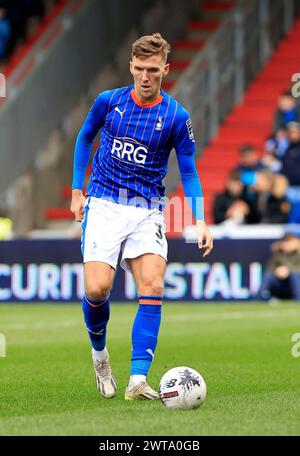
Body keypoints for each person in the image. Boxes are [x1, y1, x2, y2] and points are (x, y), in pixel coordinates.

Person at [71, 33, 213, 401]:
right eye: (140, 69)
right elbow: (85, 138)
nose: (145, 77)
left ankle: (137, 379)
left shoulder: (176, 117)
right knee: (97, 289)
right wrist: (76, 189)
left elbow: (190, 172)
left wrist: (199, 218)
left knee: (151, 285)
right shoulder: (109, 102)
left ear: (166, 69)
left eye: (153, 70)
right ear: (130, 67)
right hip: (103, 202)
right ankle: (100, 354)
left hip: (147, 208)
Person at [257, 233, 300, 301]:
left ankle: (298, 299)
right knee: (269, 275)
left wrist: (288, 270)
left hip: (295, 284)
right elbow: (269, 268)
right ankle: (258, 299)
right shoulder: (278, 254)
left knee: (294, 275)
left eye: (289, 242)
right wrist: (277, 271)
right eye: (285, 242)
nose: (287, 245)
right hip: (281, 285)